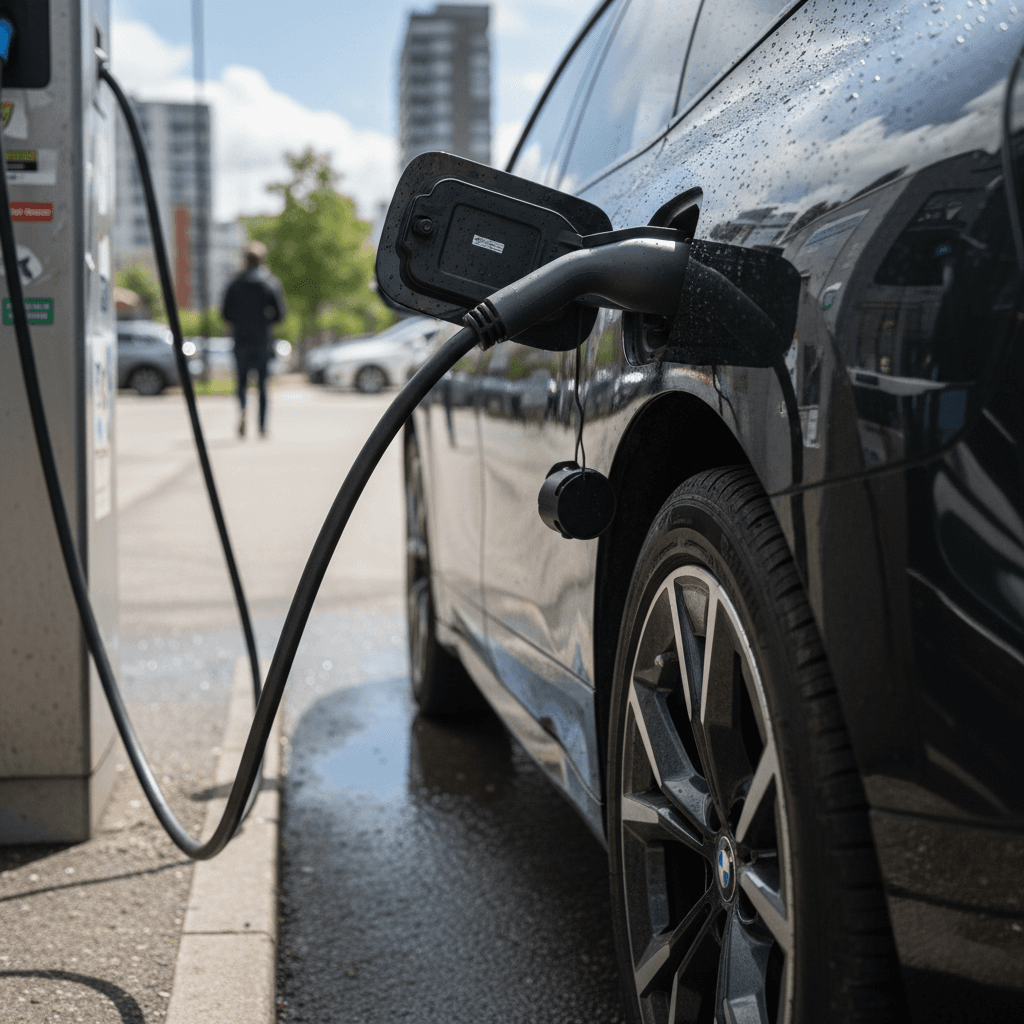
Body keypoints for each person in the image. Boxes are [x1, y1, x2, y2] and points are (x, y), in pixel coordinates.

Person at [221, 241, 285, 438]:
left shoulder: (234, 283)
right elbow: (280, 314)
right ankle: (262, 426)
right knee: (263, 385)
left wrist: (240, 320)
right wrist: (265, 319)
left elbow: (225, 313)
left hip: (240, 340)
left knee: (241, 383)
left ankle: (242, 411)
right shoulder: (270, 282)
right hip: (262, 340)